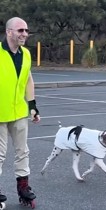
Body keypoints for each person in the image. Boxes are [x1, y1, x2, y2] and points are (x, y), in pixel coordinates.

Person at [0, 17, 40, 208]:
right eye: (20, 30)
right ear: (9, 32)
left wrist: (32, 105)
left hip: (19, 112)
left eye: (26, 30)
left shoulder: (26, 54)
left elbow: (28, 79)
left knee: (22, 152)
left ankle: (23, 188)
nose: (25, 34)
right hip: (0, 113)